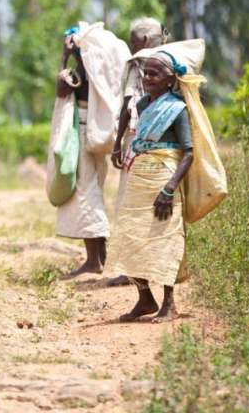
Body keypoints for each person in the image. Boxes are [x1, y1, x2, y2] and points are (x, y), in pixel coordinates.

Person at [104, 50, 194, 323]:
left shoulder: (177, 109)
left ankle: (169, 303)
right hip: (140, 174)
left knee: (163, 238)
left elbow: (189, 152)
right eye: (146, 72)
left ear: (170, 80)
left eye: (155, 73)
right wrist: (119, 145)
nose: (147, 77)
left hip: (164, 178)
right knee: (130, 235)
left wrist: (169, 188)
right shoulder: (143, 105)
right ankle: (144, 298)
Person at [47, 22, 129, 279]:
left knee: (85, 192)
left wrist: (64, 56)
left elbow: (62, 86)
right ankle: (100, 258)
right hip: (98, 133)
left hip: (82, 133)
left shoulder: (81, 72)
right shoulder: (100, 73)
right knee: (91, 188)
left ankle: (93, 261)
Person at [107, 18, 168, 286]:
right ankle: (156, 267)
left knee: (129, 203)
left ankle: (131, 269)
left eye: (132, 42)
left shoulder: (138, 64)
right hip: (167, 144)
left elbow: (128, 104)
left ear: (142, 41)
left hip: (138, 140)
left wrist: (117, 142)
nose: (132, 47)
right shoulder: (170, 61)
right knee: (157, 204)